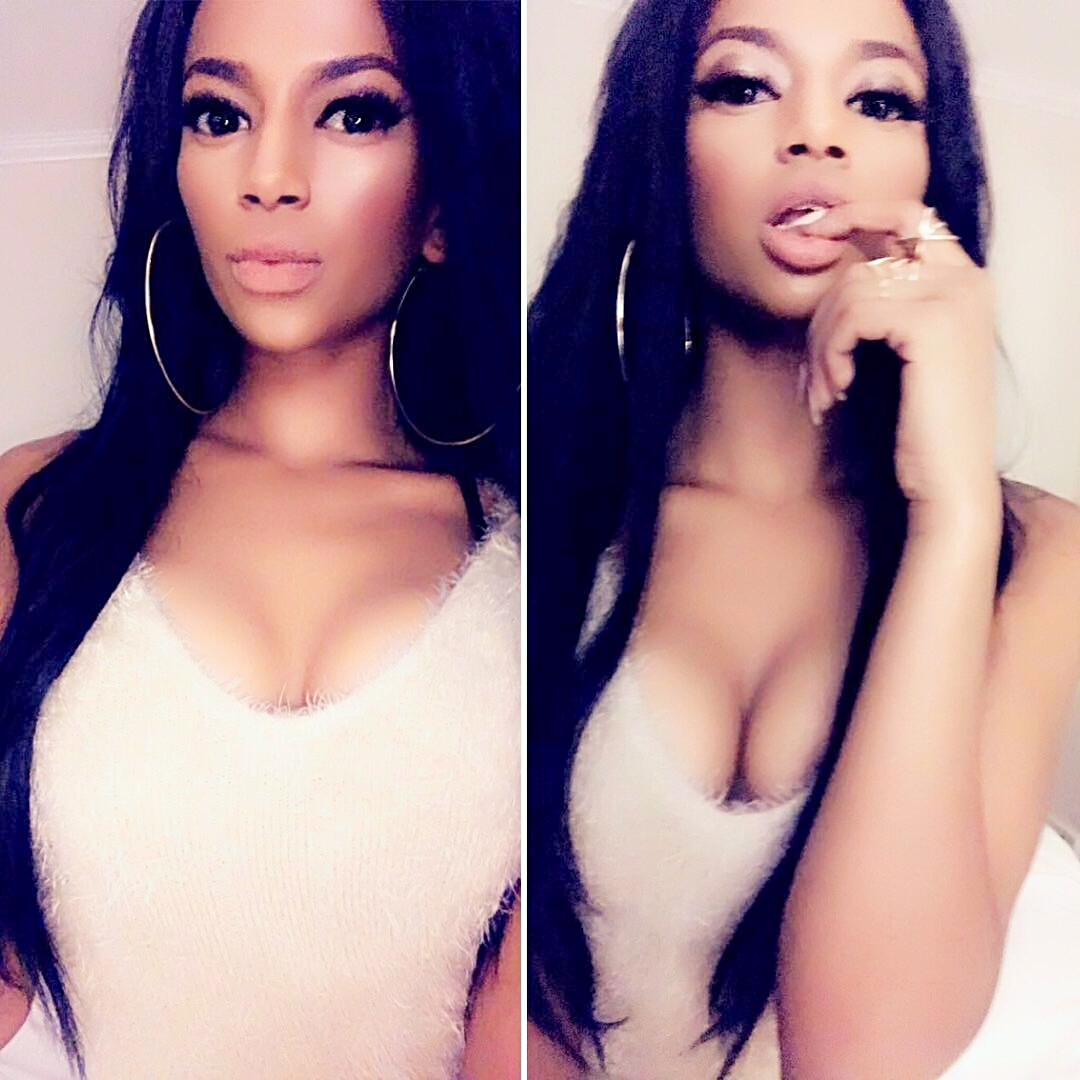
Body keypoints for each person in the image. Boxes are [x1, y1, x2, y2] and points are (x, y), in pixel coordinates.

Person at [528, 0, 1080, 1076]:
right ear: (659, 141)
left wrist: (953, 514)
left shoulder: (1035, 554)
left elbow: (866, 1055)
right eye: (743, 85)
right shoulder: (541, 503)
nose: (817, 135)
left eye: (877, 99)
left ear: (932, 164)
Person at [0, 1, 520, 1077]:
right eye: (219, 114)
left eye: (356, 112)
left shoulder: (538, 570)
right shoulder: (32, 510)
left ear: (441, 203)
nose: (269, 175)